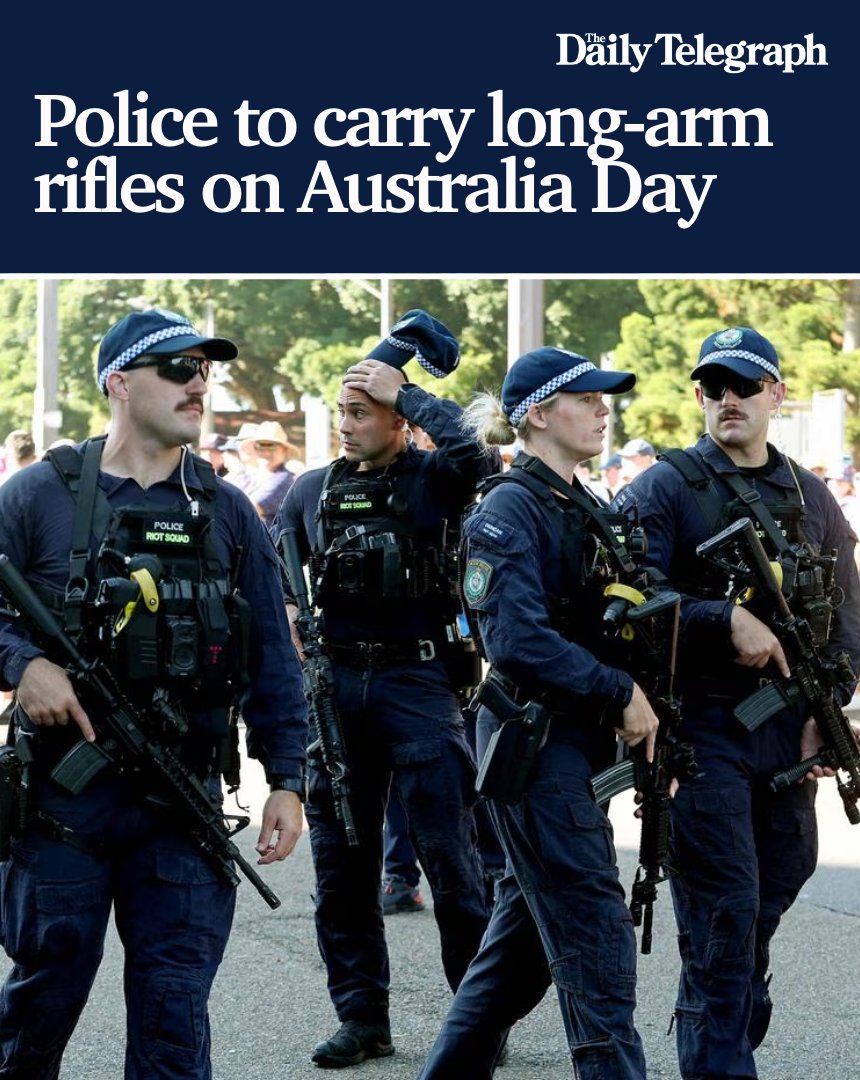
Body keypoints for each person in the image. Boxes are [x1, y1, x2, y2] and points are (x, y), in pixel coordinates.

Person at [0, 308, 308, 1079]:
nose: (198, 383)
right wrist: (21, 665)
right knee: (42, 1001)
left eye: (204, 370)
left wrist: (290, 779)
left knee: (175, 1015)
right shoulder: (38, 496)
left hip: (183, 802)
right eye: (177, 368)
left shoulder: (226, 508)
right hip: (62, 806)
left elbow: (272, 653)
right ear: (120, 382)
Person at [612, 326, 860, 1079]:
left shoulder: (810, 493)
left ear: (776, 395)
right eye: (713, 387)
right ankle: (719, 1052)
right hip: (702, 729)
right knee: (724, 911)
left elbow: (847, 613)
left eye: (745, 386)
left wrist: (831, 704)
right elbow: (624, 603)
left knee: (775, 886)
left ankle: (725, 1009)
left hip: (787, 729)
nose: (728, 400)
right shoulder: (665, 487)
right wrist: (721, 616)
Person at [418, 346, 660, 1080]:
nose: (602, 408)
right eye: (585, 398)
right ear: (537, 415)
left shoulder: (578, 501)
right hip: (536, 747)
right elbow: (517, 640)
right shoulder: (508, 507)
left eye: (603, 398)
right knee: (595, 943)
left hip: (575, 748)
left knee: (514, 965)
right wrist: (620, 693)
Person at [274, 310, 492, 1069]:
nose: (347, 425)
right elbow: (285, 585)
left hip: (420, 684)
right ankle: (363, 1019)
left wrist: (410, 395)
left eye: (363, 412)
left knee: (452, 867)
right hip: (336, 692)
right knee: (342, 873)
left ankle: (476, 1023)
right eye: (342, 411)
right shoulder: (310, 490)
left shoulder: (435, 478)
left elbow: (479, 453)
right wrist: (298, 626)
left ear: (396, 419)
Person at [245, 420, 298, 526]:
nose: (265, 452)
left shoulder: (283, 480)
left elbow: (248, 510)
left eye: (271, 446)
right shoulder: (253, 476)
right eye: (260, 446)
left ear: (284, 450)